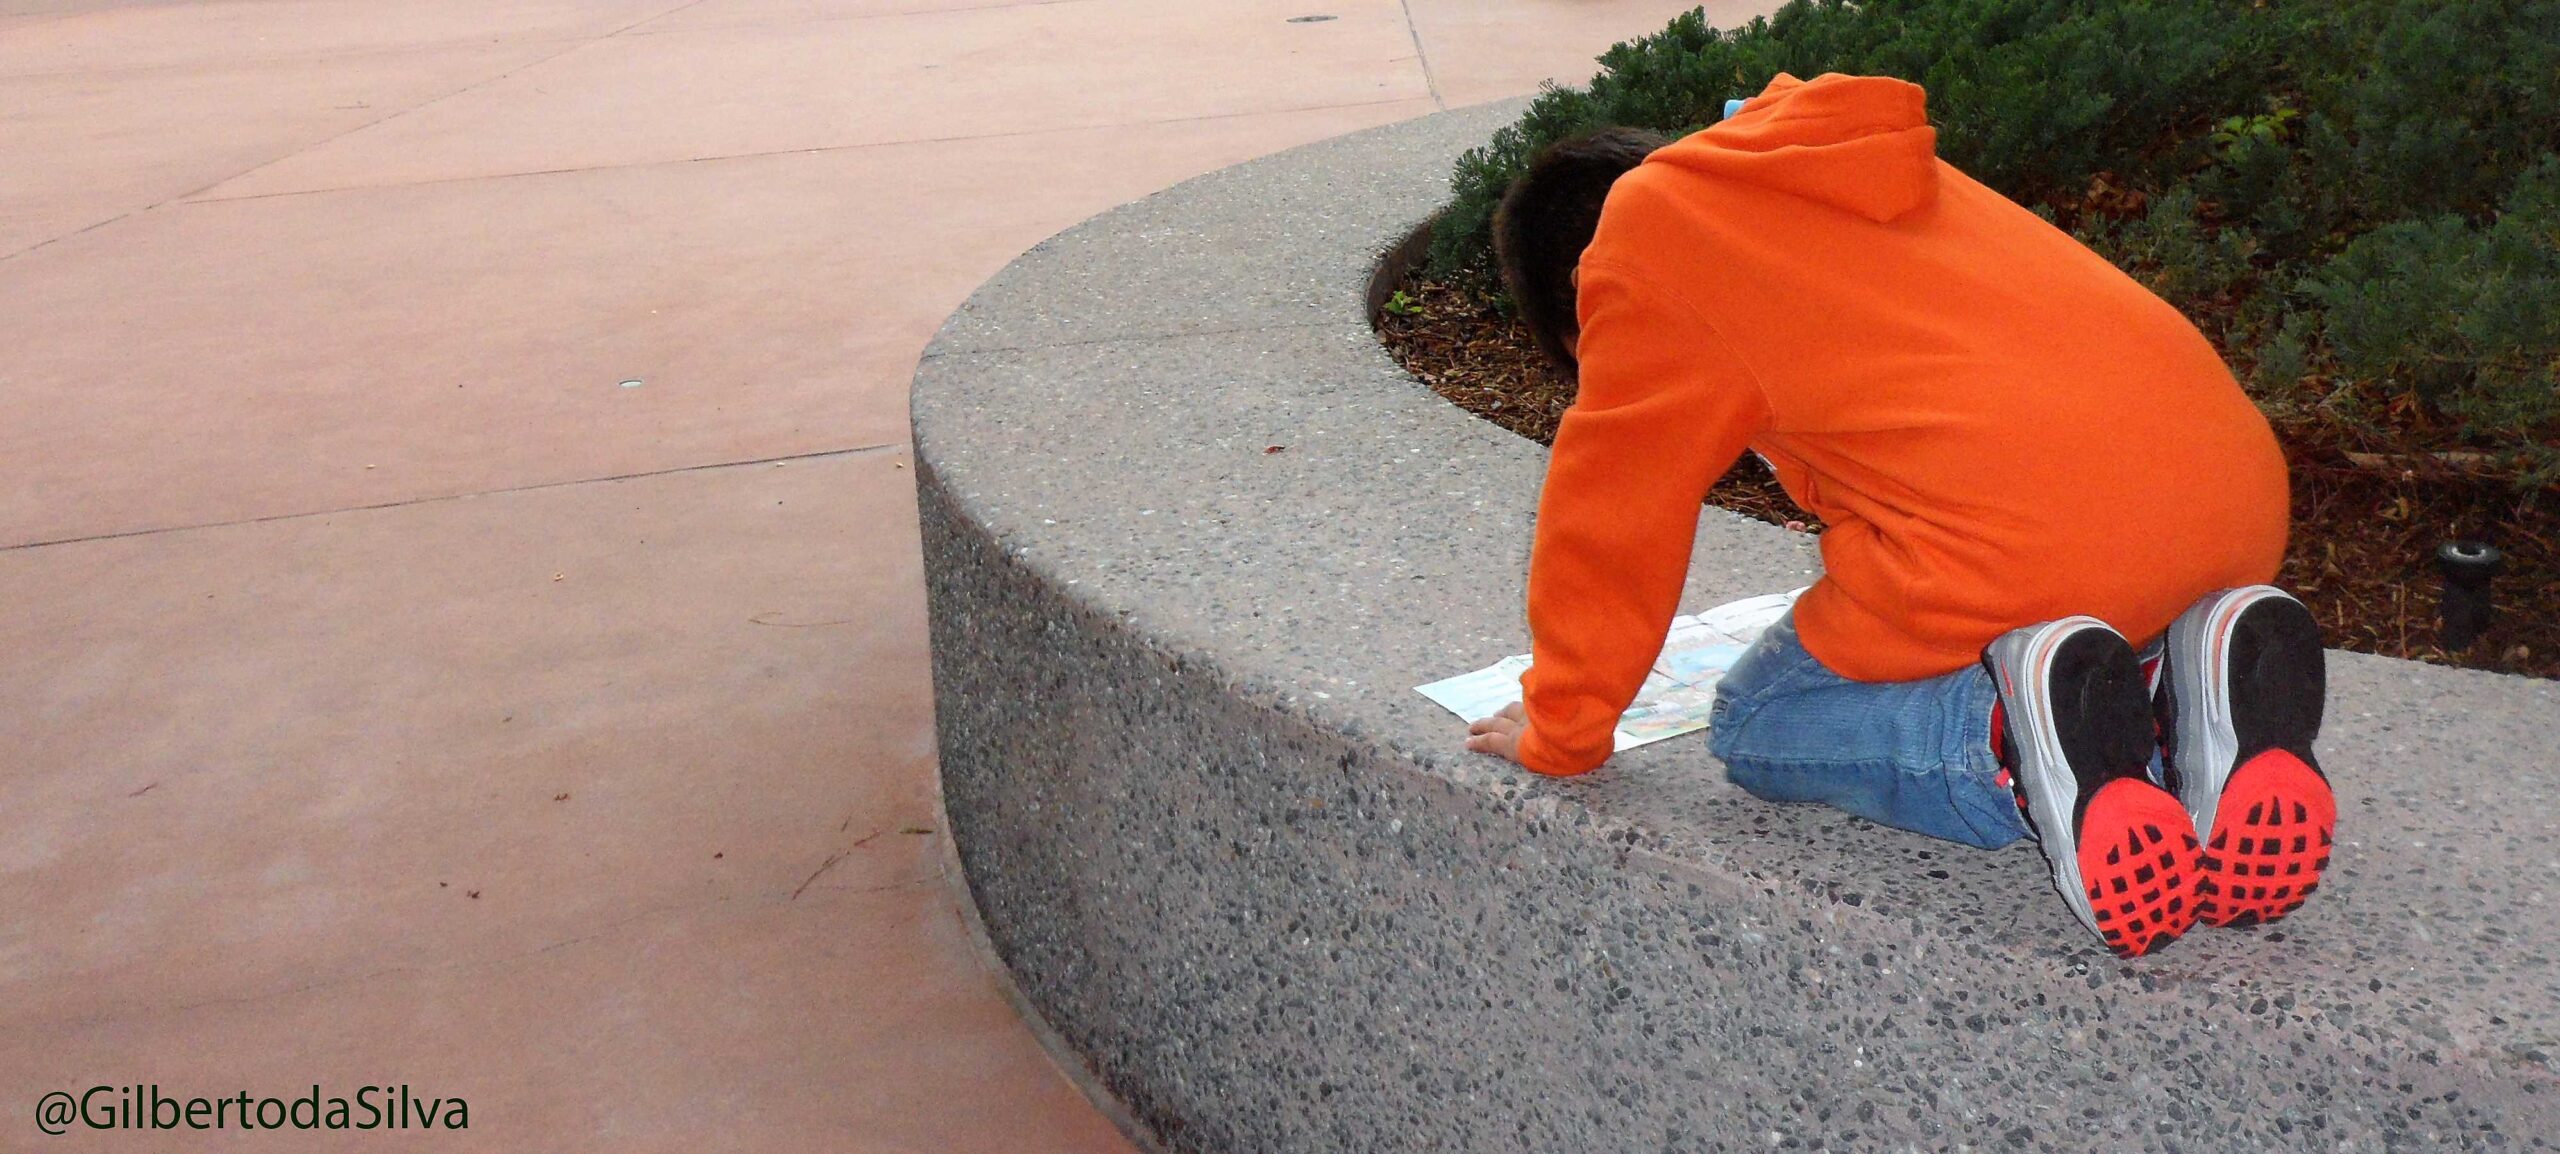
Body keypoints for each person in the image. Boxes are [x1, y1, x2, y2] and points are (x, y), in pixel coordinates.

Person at [1459, 73, 2335, 959]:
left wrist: (1562, 728)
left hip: (2041, 551)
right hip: (2235, 505)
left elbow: (1610, 522)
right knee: (1969, 599)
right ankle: (2182, 690)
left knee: (1756, 719)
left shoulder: (1648, 244)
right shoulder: (1813, 163)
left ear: (1579, 301)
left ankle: (2012, 743)